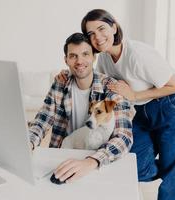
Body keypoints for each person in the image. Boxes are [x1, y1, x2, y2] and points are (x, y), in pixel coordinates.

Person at [56, 9, 175, 200]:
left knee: (173, 179)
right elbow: (95, 82)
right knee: (129, 165)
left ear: (114, 27)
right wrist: (68, 75)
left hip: (173, 107)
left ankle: (174, 169)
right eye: (91, 34)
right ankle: (172, 165)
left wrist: (134, 95)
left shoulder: (138, 54)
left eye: (101, 28)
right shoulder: (105, 58)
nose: (97, 37)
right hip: (142, 112)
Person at [28, 32, 134, 183]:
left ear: (94, 57)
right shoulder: (60, 84)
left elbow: (124, 136)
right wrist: (30, 142)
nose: (80, 61)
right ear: (66, 60)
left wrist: (92, 161)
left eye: (85, 54)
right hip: (64, 154)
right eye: (73, 56)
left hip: (97, 159)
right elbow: (42, 120)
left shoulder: (111, 87)